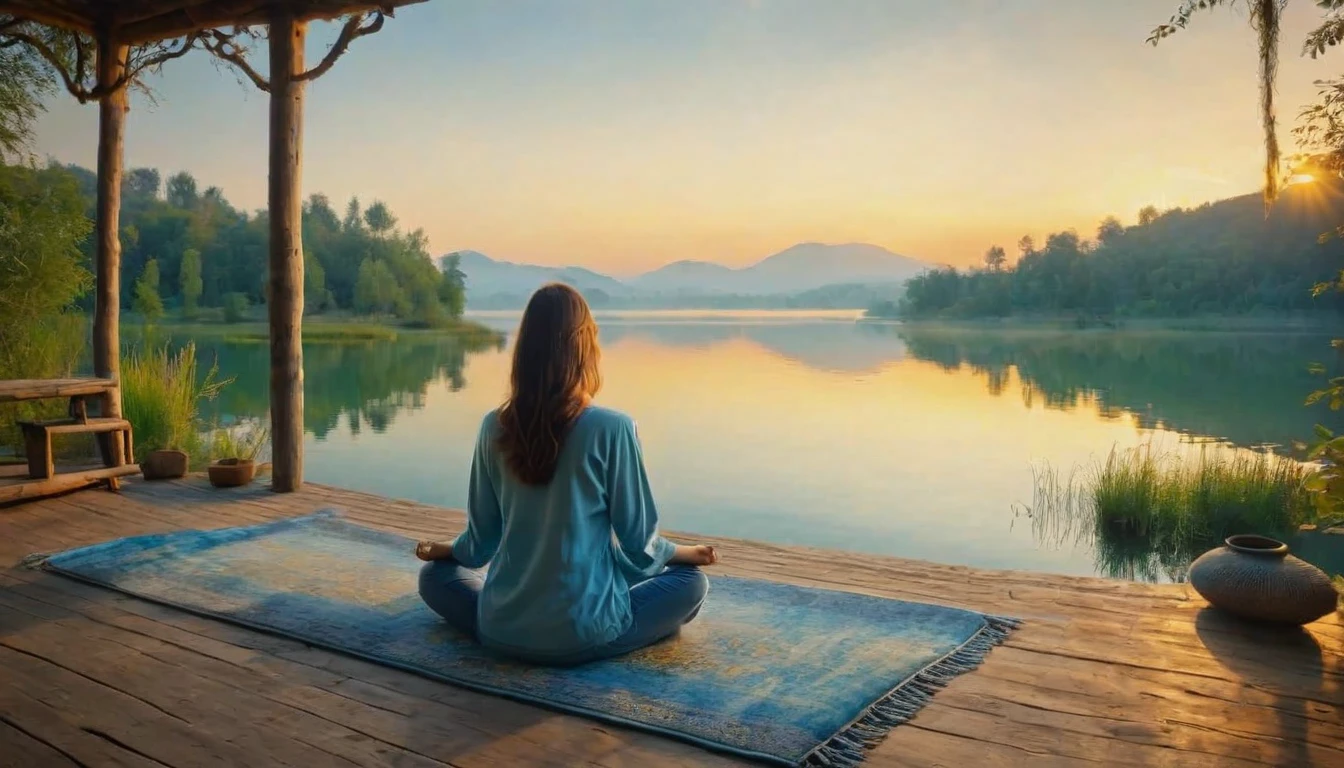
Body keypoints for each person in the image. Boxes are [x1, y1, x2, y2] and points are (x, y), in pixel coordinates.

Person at [414, 283, 718, 665]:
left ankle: (522, 623)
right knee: (691, 584)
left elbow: (479, 547)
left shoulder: (493, 427)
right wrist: (686, 554)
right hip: (581, 637)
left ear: (525, 350)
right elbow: (641, 550)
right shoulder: (613, 428)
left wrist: (444, 550)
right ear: (583, 347)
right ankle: (645, 628)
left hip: (499, 630)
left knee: (434, 578)